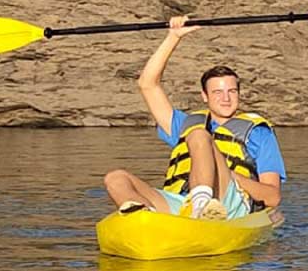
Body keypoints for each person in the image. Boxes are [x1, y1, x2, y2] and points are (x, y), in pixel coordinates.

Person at [101, 16, 285, 226]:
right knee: (115, 178)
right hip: (182, 202)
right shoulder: (184, 124)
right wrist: (173, 37)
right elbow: (147, 84)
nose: (226, 98)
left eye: (232, 91)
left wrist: (227, 174)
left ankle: (202, 207)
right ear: (204, 96)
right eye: (217, 92)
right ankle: (144, 218)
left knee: (198, 135)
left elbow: (273, 197)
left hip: (229, 204)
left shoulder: (259, 133)